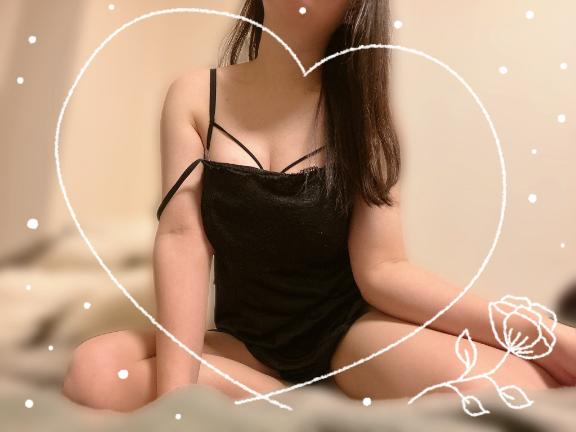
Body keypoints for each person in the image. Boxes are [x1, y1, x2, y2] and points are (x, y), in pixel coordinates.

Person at [61, 0, 576, 412]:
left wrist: (539, 333)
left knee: (512, 387)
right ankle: (303, 406)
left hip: (346, 336)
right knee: (94, 372)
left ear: (354, 7)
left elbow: (384, 271)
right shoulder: (195, 95)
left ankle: (305, 400)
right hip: (244, 344)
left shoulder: (363, 119)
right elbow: (182, 240)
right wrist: (178, 400)